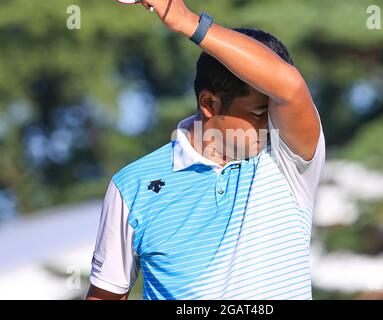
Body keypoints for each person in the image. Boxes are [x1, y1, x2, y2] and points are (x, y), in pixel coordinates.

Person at [86, 0, 325, 300]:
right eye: (258, 113)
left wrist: (186, 21)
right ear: (210, 104)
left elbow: (289, 87)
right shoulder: (132, 186)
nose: (273, 124)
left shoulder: (289, 159)